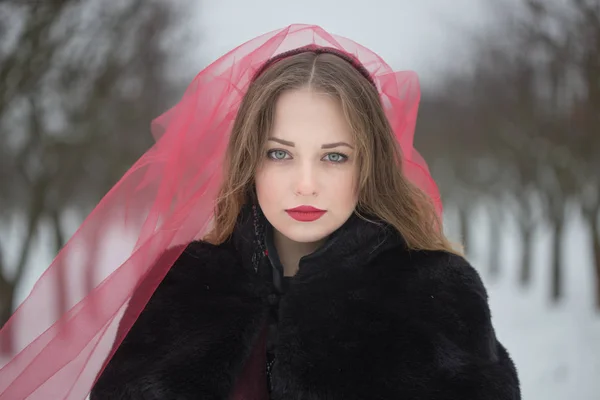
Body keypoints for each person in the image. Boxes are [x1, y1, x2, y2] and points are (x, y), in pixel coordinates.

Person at [0, 25, 520, 400]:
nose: (306, 182)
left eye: (334, 156)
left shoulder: (436, 293)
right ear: (249, 159)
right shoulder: (175, 284)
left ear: (369, 165)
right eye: (280, 153)